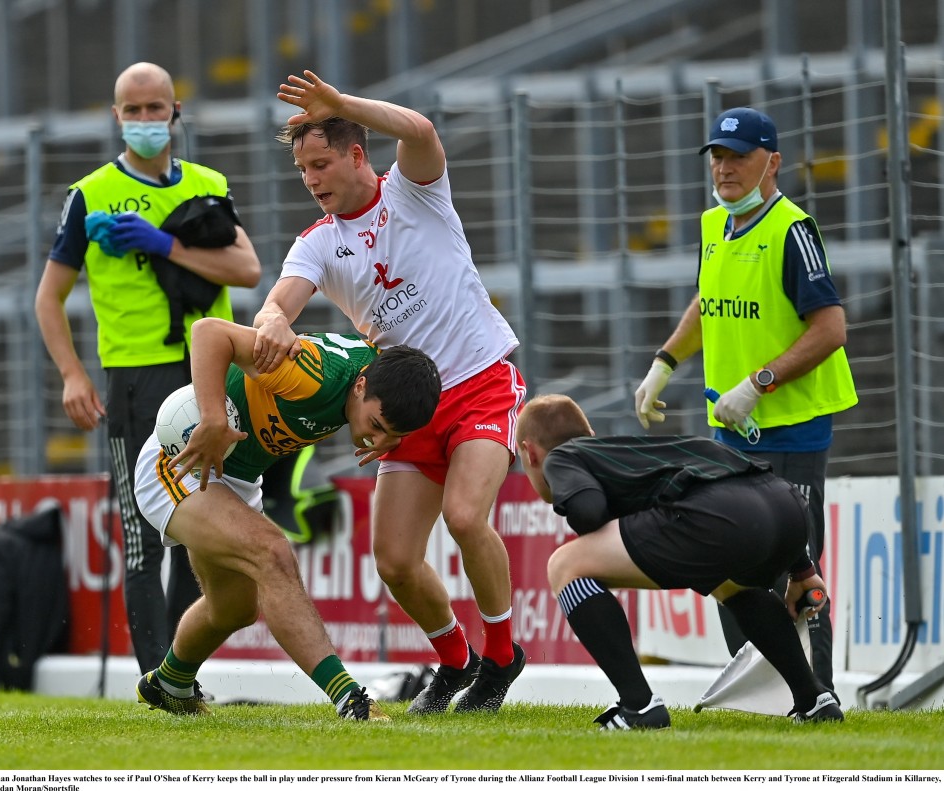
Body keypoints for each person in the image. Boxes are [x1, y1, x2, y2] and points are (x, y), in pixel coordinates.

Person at [252, 70, 527, 714]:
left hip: (480, 382)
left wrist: (342, 104)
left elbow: (422, 129)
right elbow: (280, 300)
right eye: (302, 171)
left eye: (321, 163)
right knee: (396, 562)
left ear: (356, 154)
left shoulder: (416, 192)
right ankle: (455, 661)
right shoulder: (317, 244)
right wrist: (269, 322)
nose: (313, 179)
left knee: (464, 518)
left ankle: (501, 655)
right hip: (403, 409)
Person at [34, 62, 262, 675]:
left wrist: (164, 245)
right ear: (116, 117)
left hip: (206, 375)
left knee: (200, 527)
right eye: (131, 111)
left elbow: (247, 270)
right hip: (133, 377)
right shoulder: (90, 194)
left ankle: (178, 675)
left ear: (175, 110)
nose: (144, 121)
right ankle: (151, 679)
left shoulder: (209, 182)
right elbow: (47, 298)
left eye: (154, 109)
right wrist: (73, 375)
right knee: (141, 536)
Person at [633, 107, 857, 692]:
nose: (725, 168)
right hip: (731, 434)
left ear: (772, 163)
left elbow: (831, 329)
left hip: (792, 430)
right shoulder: (715, 225)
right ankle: (759, 694)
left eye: (740, 156)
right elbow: (711, 300)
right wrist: (665, 362)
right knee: (730, 560)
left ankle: (816, 694)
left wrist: (758, 385)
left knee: (794, 571)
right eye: (718, 156)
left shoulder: (792, 230)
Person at [133, 317, 441, 719]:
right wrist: (212, 418)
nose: (377, 441)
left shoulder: (384, 377)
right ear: (361, 385)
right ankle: (350, 699)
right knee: (274, 553)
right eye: (376, 426)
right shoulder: (309, 373)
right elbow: (208, 332)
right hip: (178, 463)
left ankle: (169, 683)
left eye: (391, 438)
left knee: (234, 609)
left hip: (234, 477)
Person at [515, 394, 844, 730]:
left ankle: (639, 707)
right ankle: (814, 699)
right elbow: (740, 480)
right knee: (730, 585)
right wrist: (802, 569)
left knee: (565, 565)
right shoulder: (641, 449)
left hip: (721, 516)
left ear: (530, 452)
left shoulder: (563, 458)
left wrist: (588, 511)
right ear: (592, 434)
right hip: (787, 508)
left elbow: (589, 512)